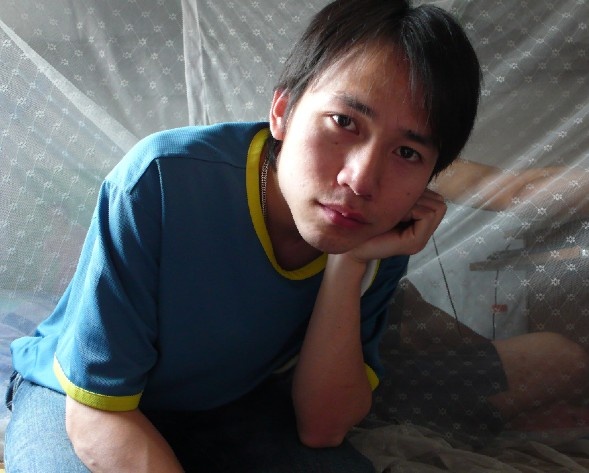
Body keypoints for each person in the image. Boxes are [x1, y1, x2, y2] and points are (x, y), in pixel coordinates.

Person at [3, 0, 482, 471]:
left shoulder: (382, 231)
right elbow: (96, 410)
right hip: (79, 399)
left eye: (407, 152)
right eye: (344, 122)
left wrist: (349, 263)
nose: (361, 181)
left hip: (227, 405)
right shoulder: (163, 181)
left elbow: (322, 427)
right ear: (282, 111)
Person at [365, 159, 589, 444]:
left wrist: (481, 354)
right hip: (370, 374)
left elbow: (413, 312)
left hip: (388, 360)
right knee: (560, 359)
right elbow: (515, 192)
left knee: (559, 358)